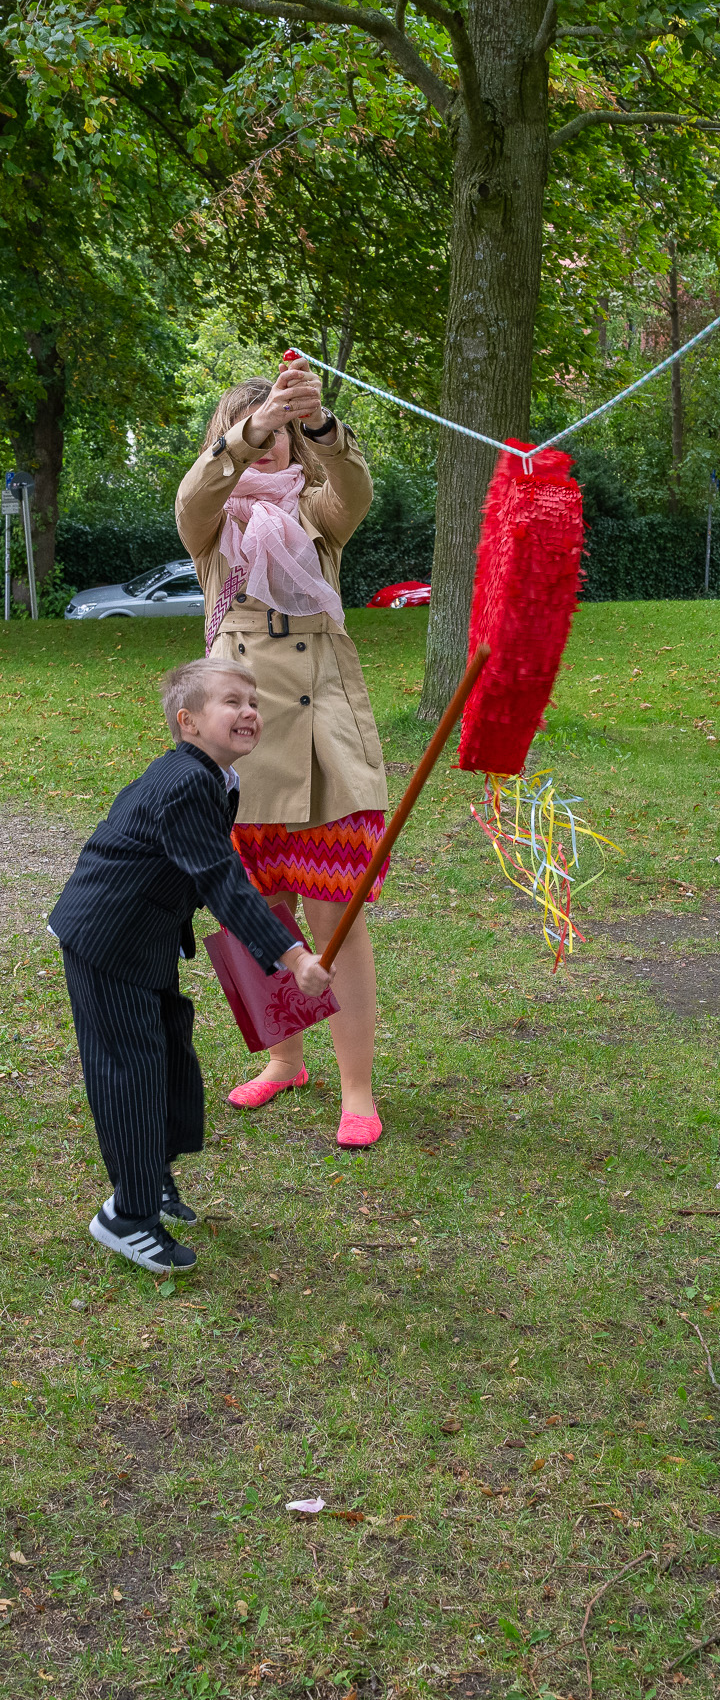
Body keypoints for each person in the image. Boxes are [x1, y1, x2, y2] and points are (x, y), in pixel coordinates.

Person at [50, 661, 334, 1276]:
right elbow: (220, 878)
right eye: (232, 701)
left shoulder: (213, 777)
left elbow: (197, 869)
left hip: (142, 935)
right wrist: (291, 957)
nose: (250, 710)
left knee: (171, 1050)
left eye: (254, 701)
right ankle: (126, 1216)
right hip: (108, 939)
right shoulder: (187, 781)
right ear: (188, 722)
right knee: (131, 1069)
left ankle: (150, 1181)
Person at [176, 355, 389, 1149]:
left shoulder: (316, 512)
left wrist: (322, 424)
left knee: (336, 922)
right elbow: (191, 494)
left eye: (281, 431)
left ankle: (356, 1086)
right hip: (237, 736)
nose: (270, 442)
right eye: (253, 429)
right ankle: (285, 1060)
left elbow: (355, 490)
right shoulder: (212, 522)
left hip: (321, 730)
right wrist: (246, 432)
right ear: (231, 438)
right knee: (258, 916)